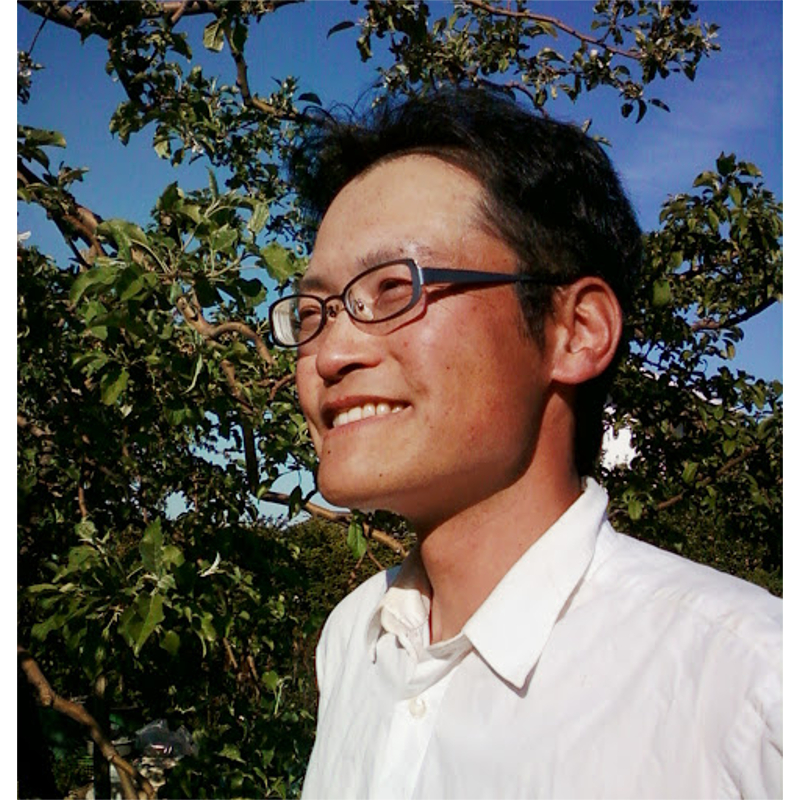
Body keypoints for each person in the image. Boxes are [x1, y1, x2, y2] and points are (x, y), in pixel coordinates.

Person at [269, 87, 782, 799]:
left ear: (576, 333)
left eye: (393, 289)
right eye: (313, 312)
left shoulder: (749, 691)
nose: (329, 354)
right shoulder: (353, 641)